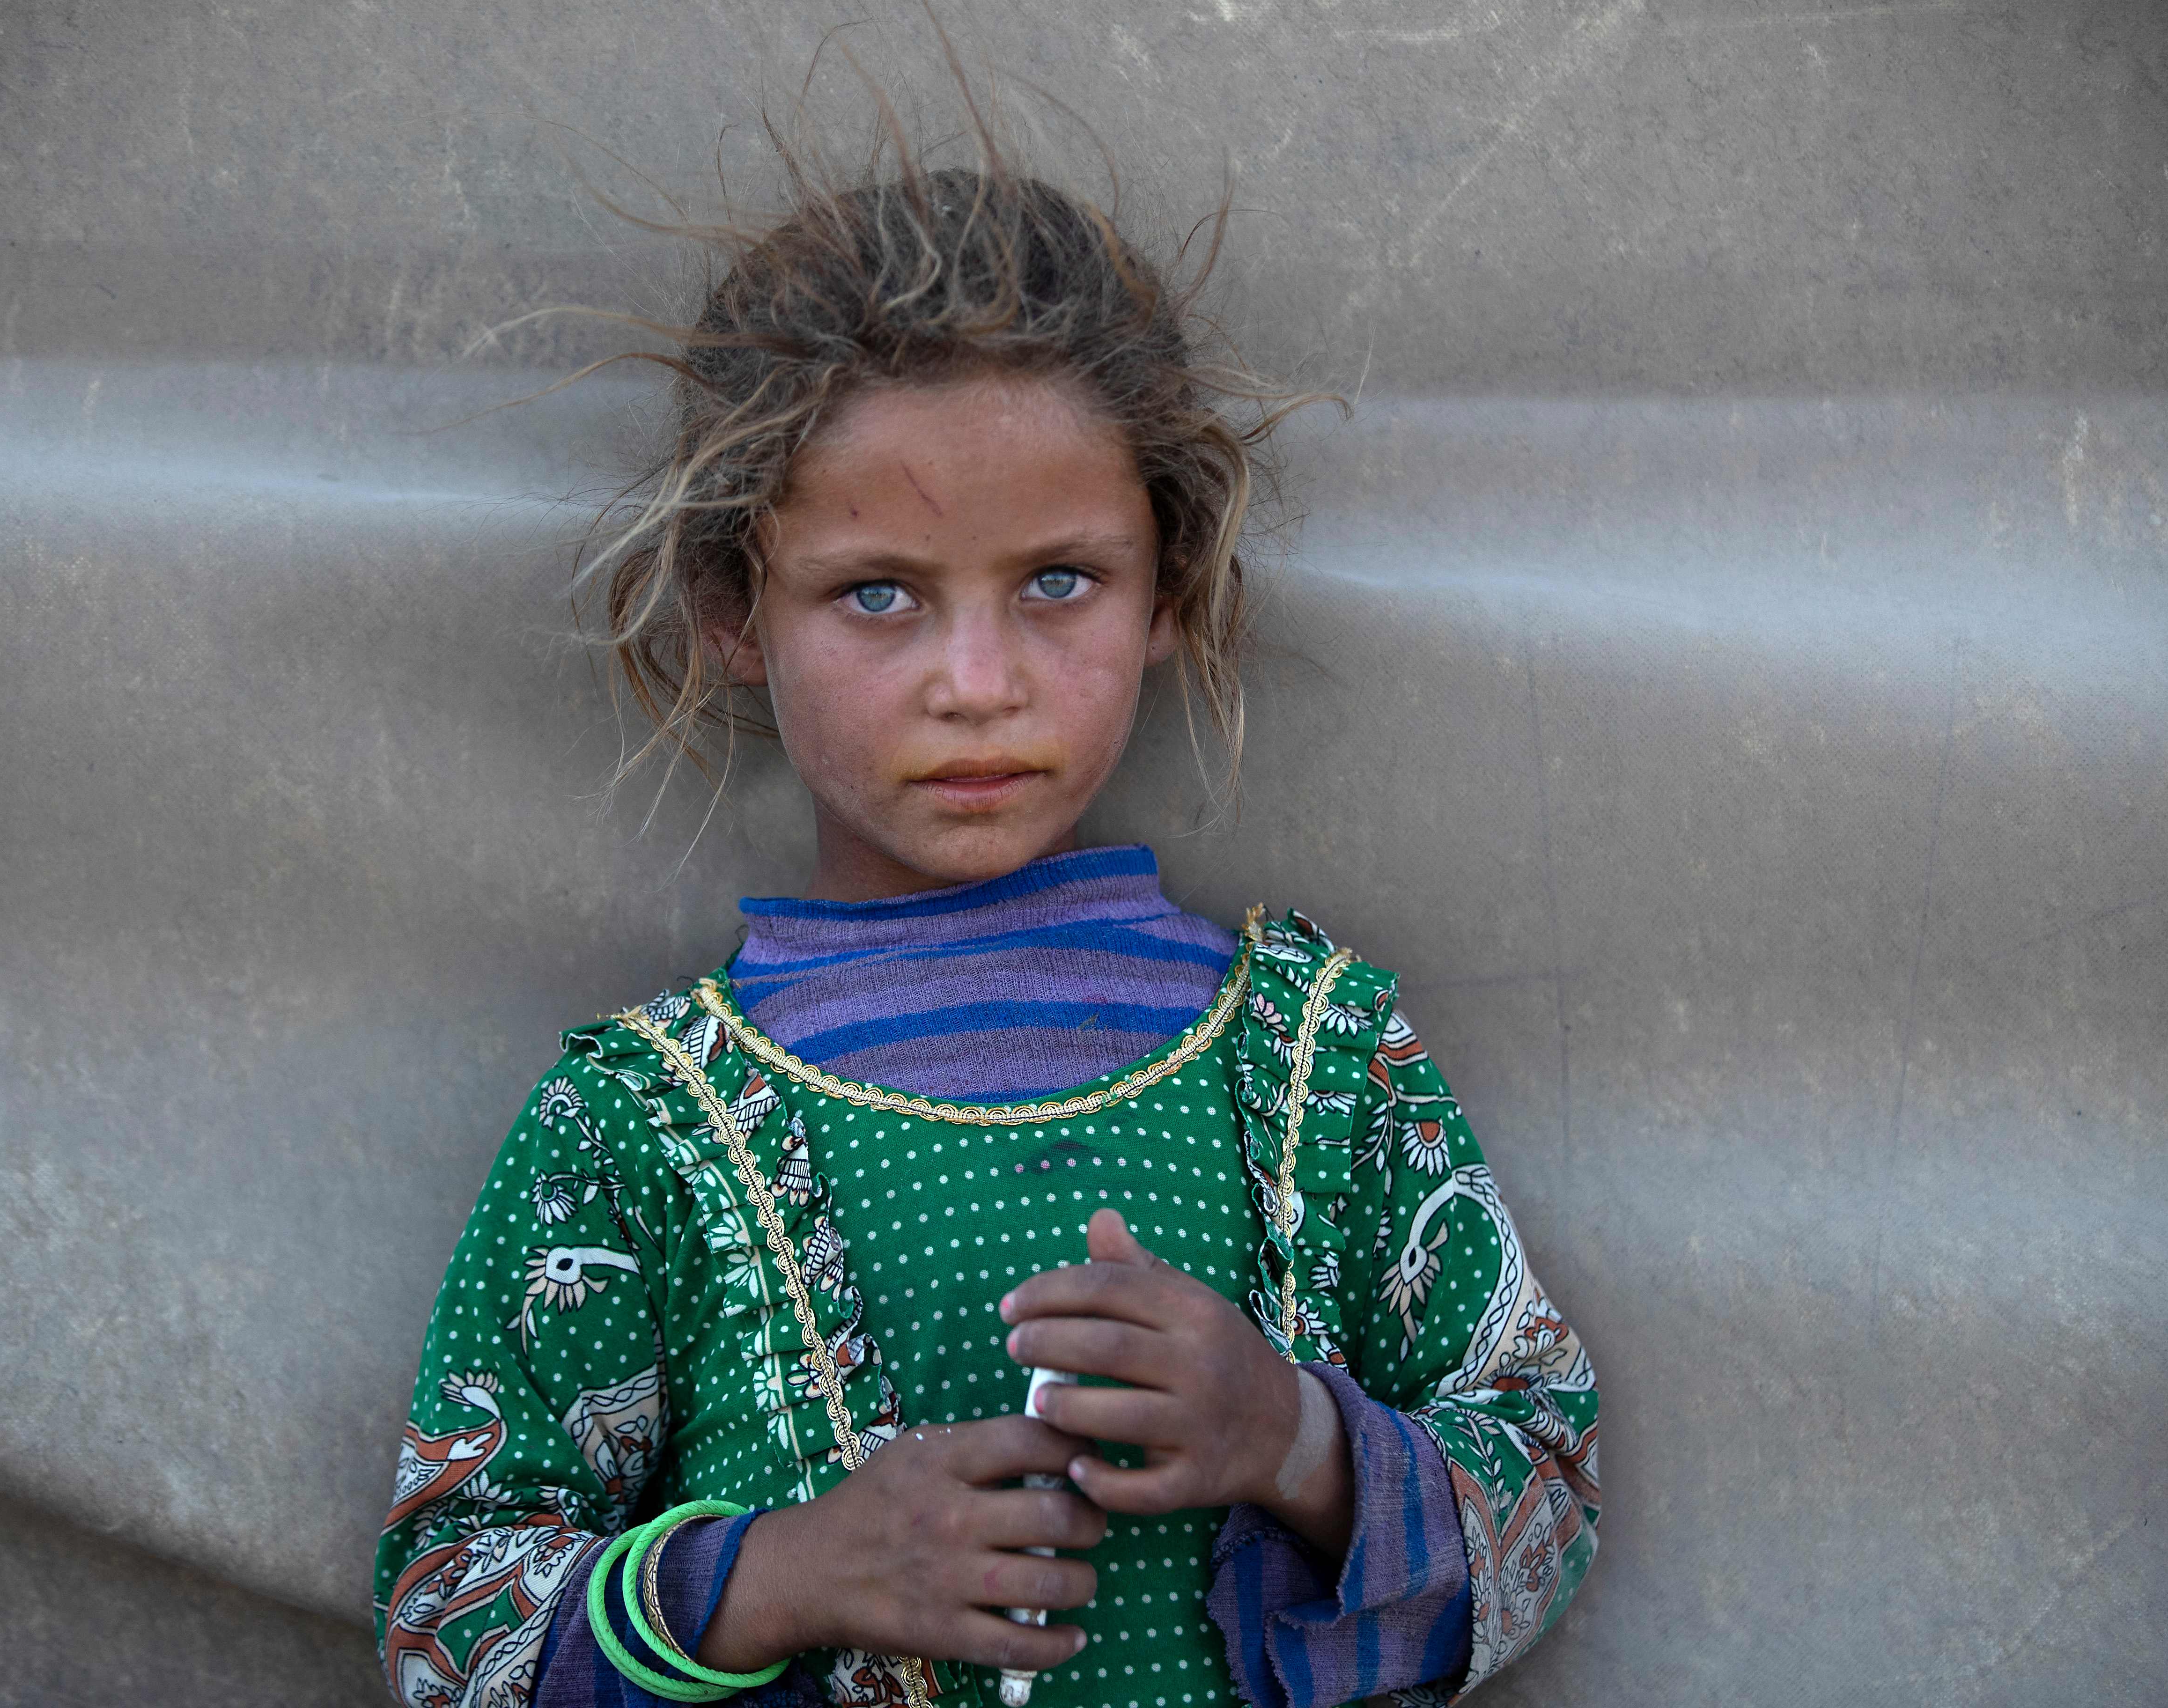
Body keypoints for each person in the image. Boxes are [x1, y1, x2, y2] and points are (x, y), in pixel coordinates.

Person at [373, 81, 1599, 1708]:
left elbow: (1547, 1476)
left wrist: (1295, 1438)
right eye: (875, 594)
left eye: (1060, 583)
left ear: (1175, 584)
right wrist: (777, 1575)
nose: (977, 682)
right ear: (739, 611)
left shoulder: (1314, 1058)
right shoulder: (636, 1129)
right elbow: (447, 1613)